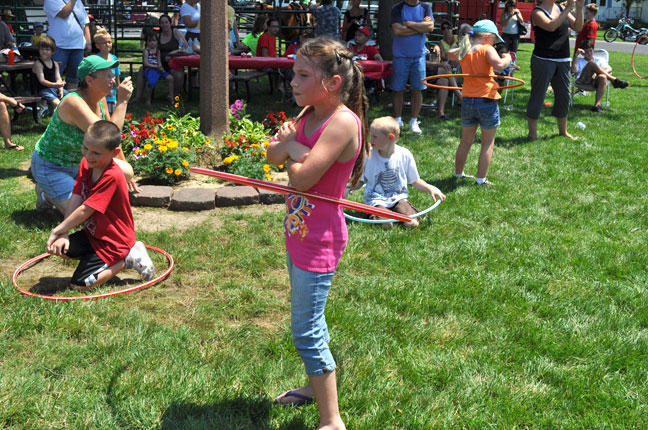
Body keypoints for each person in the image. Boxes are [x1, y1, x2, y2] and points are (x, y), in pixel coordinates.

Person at [266, 37, 370, 430]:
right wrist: (290, 146)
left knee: (305, 331)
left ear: (333, 83)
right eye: (294, 72)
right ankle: (315, 389)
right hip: (298, 233)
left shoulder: (342, 122)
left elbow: (304, 179)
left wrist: (291, 149)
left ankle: (332, 420)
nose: (292, 80)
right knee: (313, 320)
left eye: (303, 74)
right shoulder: (309, 113)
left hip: (320, 240)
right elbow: (272, 154)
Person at [46, 121, 154, 292]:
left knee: (79, 285)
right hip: (94, 235)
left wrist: (56, 230)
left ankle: (128, 259)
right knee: (58, 247)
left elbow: (86, 209)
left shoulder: (112, 176)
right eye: (85, 148)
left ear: (114, 153)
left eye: (96, 152)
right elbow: (77, 197)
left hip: (114, 241)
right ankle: (97, 260)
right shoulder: (87, 163)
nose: (89, 156)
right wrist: (63, 232)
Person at [31, 55, 137, 215]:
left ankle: (73, 188)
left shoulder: (100, 99)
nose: (113, 80)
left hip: (82, 163)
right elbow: (107, 133)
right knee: (79, 214)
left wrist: (124, 176)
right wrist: (122, 101)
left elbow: (112, 142)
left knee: (126, 172)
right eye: (107, 76)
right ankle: (45, 194)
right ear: (89, 80)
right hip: (53, 166)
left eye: (113, 75)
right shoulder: (73, 102)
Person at [448, 20, 512, 186]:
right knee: (487, 143)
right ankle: (481, 179)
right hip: (486, 100)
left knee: (465, 140)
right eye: (493, 39)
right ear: (487, 37)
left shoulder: (464, 50)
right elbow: (498, 66)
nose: (494, 43)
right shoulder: (487, 49)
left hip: (468, 100)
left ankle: (458, 173)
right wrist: (508, 58)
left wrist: (464, 45)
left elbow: (449, 54)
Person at [358, 116, 445, 228]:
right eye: (371, 136)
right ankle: (384, 215)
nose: (371, 140)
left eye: (375, 137)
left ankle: (398, 212)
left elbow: (415, 181)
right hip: (376, 200)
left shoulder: (404, 154)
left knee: (412, 223)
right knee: (386, 224)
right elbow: (360, 181)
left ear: (390, 138)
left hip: (398, 198)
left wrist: (430, 188)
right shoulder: (368, 156)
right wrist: (347, 187)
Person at [526, 0, 584, 141]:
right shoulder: (537, 12)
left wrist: (580, 8)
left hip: (563, 60)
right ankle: (532, 133)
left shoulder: (560, 8)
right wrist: (569, 7)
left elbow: (578, 27)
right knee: (538, 96)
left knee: (564, 96)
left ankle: (563, 131)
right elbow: (551, 26)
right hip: (543, 59)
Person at [390, 0, 435, 134]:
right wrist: (420, 26)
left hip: (419, 56)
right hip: (400, 56)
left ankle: (413, 121)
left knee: (418, 89)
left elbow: (430, 28)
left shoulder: (426, 7)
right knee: (398, 89)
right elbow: (397, 30)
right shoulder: (397, 8)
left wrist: (408, 24)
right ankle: (398, 120)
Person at [44, 0, 92, 90]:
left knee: (74, 78)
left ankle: (71, 100)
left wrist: (88, 42)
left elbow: (85, 22)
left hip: (78, 46)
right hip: (58, 45)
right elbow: (64, 13)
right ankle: (53, 101)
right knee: (55, 76)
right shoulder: (51, 1)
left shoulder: (77, 2)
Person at [572, 40, 629, 112]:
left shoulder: (599, 60)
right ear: (582, 53)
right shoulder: (579, 60)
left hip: (595, 81)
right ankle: (614, 80)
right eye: (586, 52)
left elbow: (609, 68)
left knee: (603, 77)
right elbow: (573, 71)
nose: (589, 53)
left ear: (593, 50)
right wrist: (576, 55)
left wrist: (599, 73)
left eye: (590, 50)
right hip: (582, 81)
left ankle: (597, 106)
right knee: (591, 64)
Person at [426, 45, 462, 120]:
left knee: (444, 81)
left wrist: (436, 46)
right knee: (445, 69)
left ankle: (440, 113)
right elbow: (421, 62)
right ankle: (459, 95)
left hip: (429, 71)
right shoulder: (415, 46)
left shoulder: (423, 43)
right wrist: (440, 64)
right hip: (420, 73)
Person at [32, 36, 67, 112]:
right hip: (43, 90)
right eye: (42, 49)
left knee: (71, 98)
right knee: (57, 103)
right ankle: (56, 122)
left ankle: (69, 119)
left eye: (47, 49)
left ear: (53, 51)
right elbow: (42, 81)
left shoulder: (55, 63)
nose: (44, 51)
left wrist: (60, 89)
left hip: (54, 88)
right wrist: (55, 85)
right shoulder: (38, 64)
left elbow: (58, 78)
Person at [141, 33, 174, 106]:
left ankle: (171, 96)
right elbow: (146, 64)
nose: (152, 42)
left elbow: (159, 62)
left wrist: (161, 68)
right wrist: (156, 67)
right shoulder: (146, 51)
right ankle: (148, 99)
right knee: (151, 83)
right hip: (149, 70)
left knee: (171, 78)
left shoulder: (158, 51)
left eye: (154, 40)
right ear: (147, 42)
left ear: (157, 42)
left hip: (157, 69)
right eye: (150, 41)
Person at [94, 30, 120, 114]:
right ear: (97, 46)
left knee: (112, 111)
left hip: (112, 91)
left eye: (109, 42)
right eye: (104, 43)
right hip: (100, 92)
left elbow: (117, 74)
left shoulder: (114, 58)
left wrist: (119, 86)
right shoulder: (96, 59)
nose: (108, 44)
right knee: (101, 112)